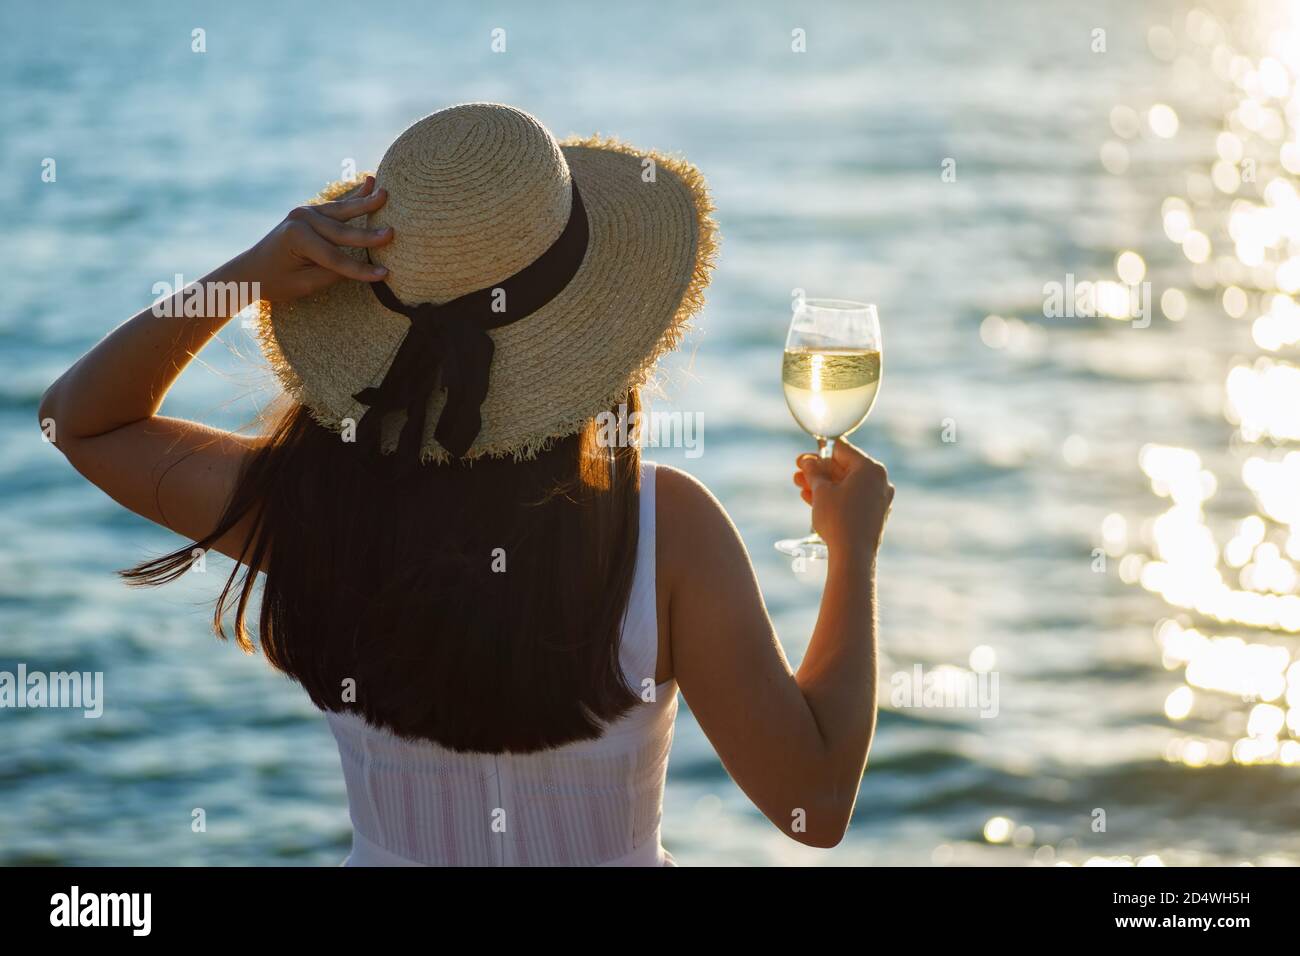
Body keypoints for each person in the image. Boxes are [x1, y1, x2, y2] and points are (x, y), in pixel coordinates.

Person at [38, 103, 894, 866]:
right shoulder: (666, 534)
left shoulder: (310, 506)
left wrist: (250, 273)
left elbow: (80, 421)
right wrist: (850, 553)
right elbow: (812, 808)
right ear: (603, 329)